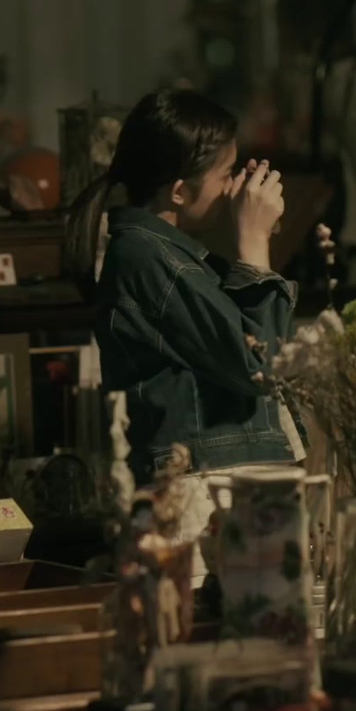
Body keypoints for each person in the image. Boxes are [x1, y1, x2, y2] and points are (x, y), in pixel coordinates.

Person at [65, 89, 298, 490]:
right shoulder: (147, 257)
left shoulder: (168, 254)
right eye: (226, 174)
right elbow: (259, 366)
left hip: (223, 475)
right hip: (202, 486)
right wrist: (254, 245)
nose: (233, 187)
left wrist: (244, 234)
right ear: (178, 192)